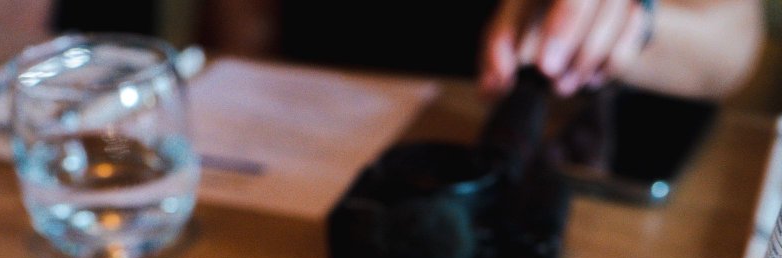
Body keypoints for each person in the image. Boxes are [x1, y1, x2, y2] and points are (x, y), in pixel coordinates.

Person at [195, 0, 766, 101]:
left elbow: (733, 43)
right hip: (316, 148)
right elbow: (242, 25)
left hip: (569, 176)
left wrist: (626, 23)